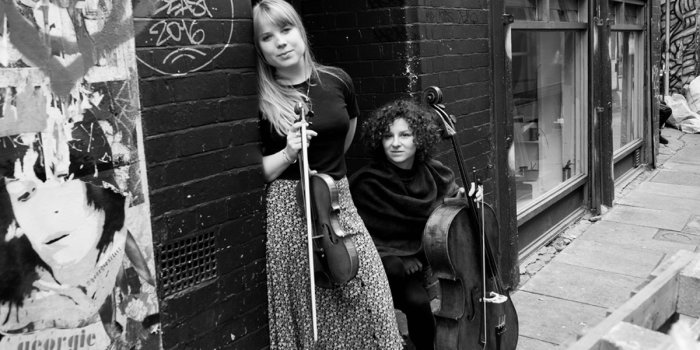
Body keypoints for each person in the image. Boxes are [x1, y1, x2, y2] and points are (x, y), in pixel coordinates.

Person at [253, 1, 403, 349]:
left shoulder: (337, 80)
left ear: (301, 31)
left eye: (286, 29)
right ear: (259, 48)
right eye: (267, 36)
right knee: (313, 312)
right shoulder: (260, 98)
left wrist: (329, 182)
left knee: (373, 297)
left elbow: (346, 134)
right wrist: (289, 152)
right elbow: (256, 171)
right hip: (289, 212)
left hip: (336, 200)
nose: (280, 42)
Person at [349, 100, 482, 350]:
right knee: (400, 275)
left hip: (417, 265)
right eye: (388, 136)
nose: (396, 143)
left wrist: (467, 196)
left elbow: (450, 201)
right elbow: (358, 236)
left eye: (405, 135)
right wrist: (394, 254)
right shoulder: (367, 183)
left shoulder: (433, 173)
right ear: (379, 140)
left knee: (419, 304)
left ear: (418, 139)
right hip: (383, 266)